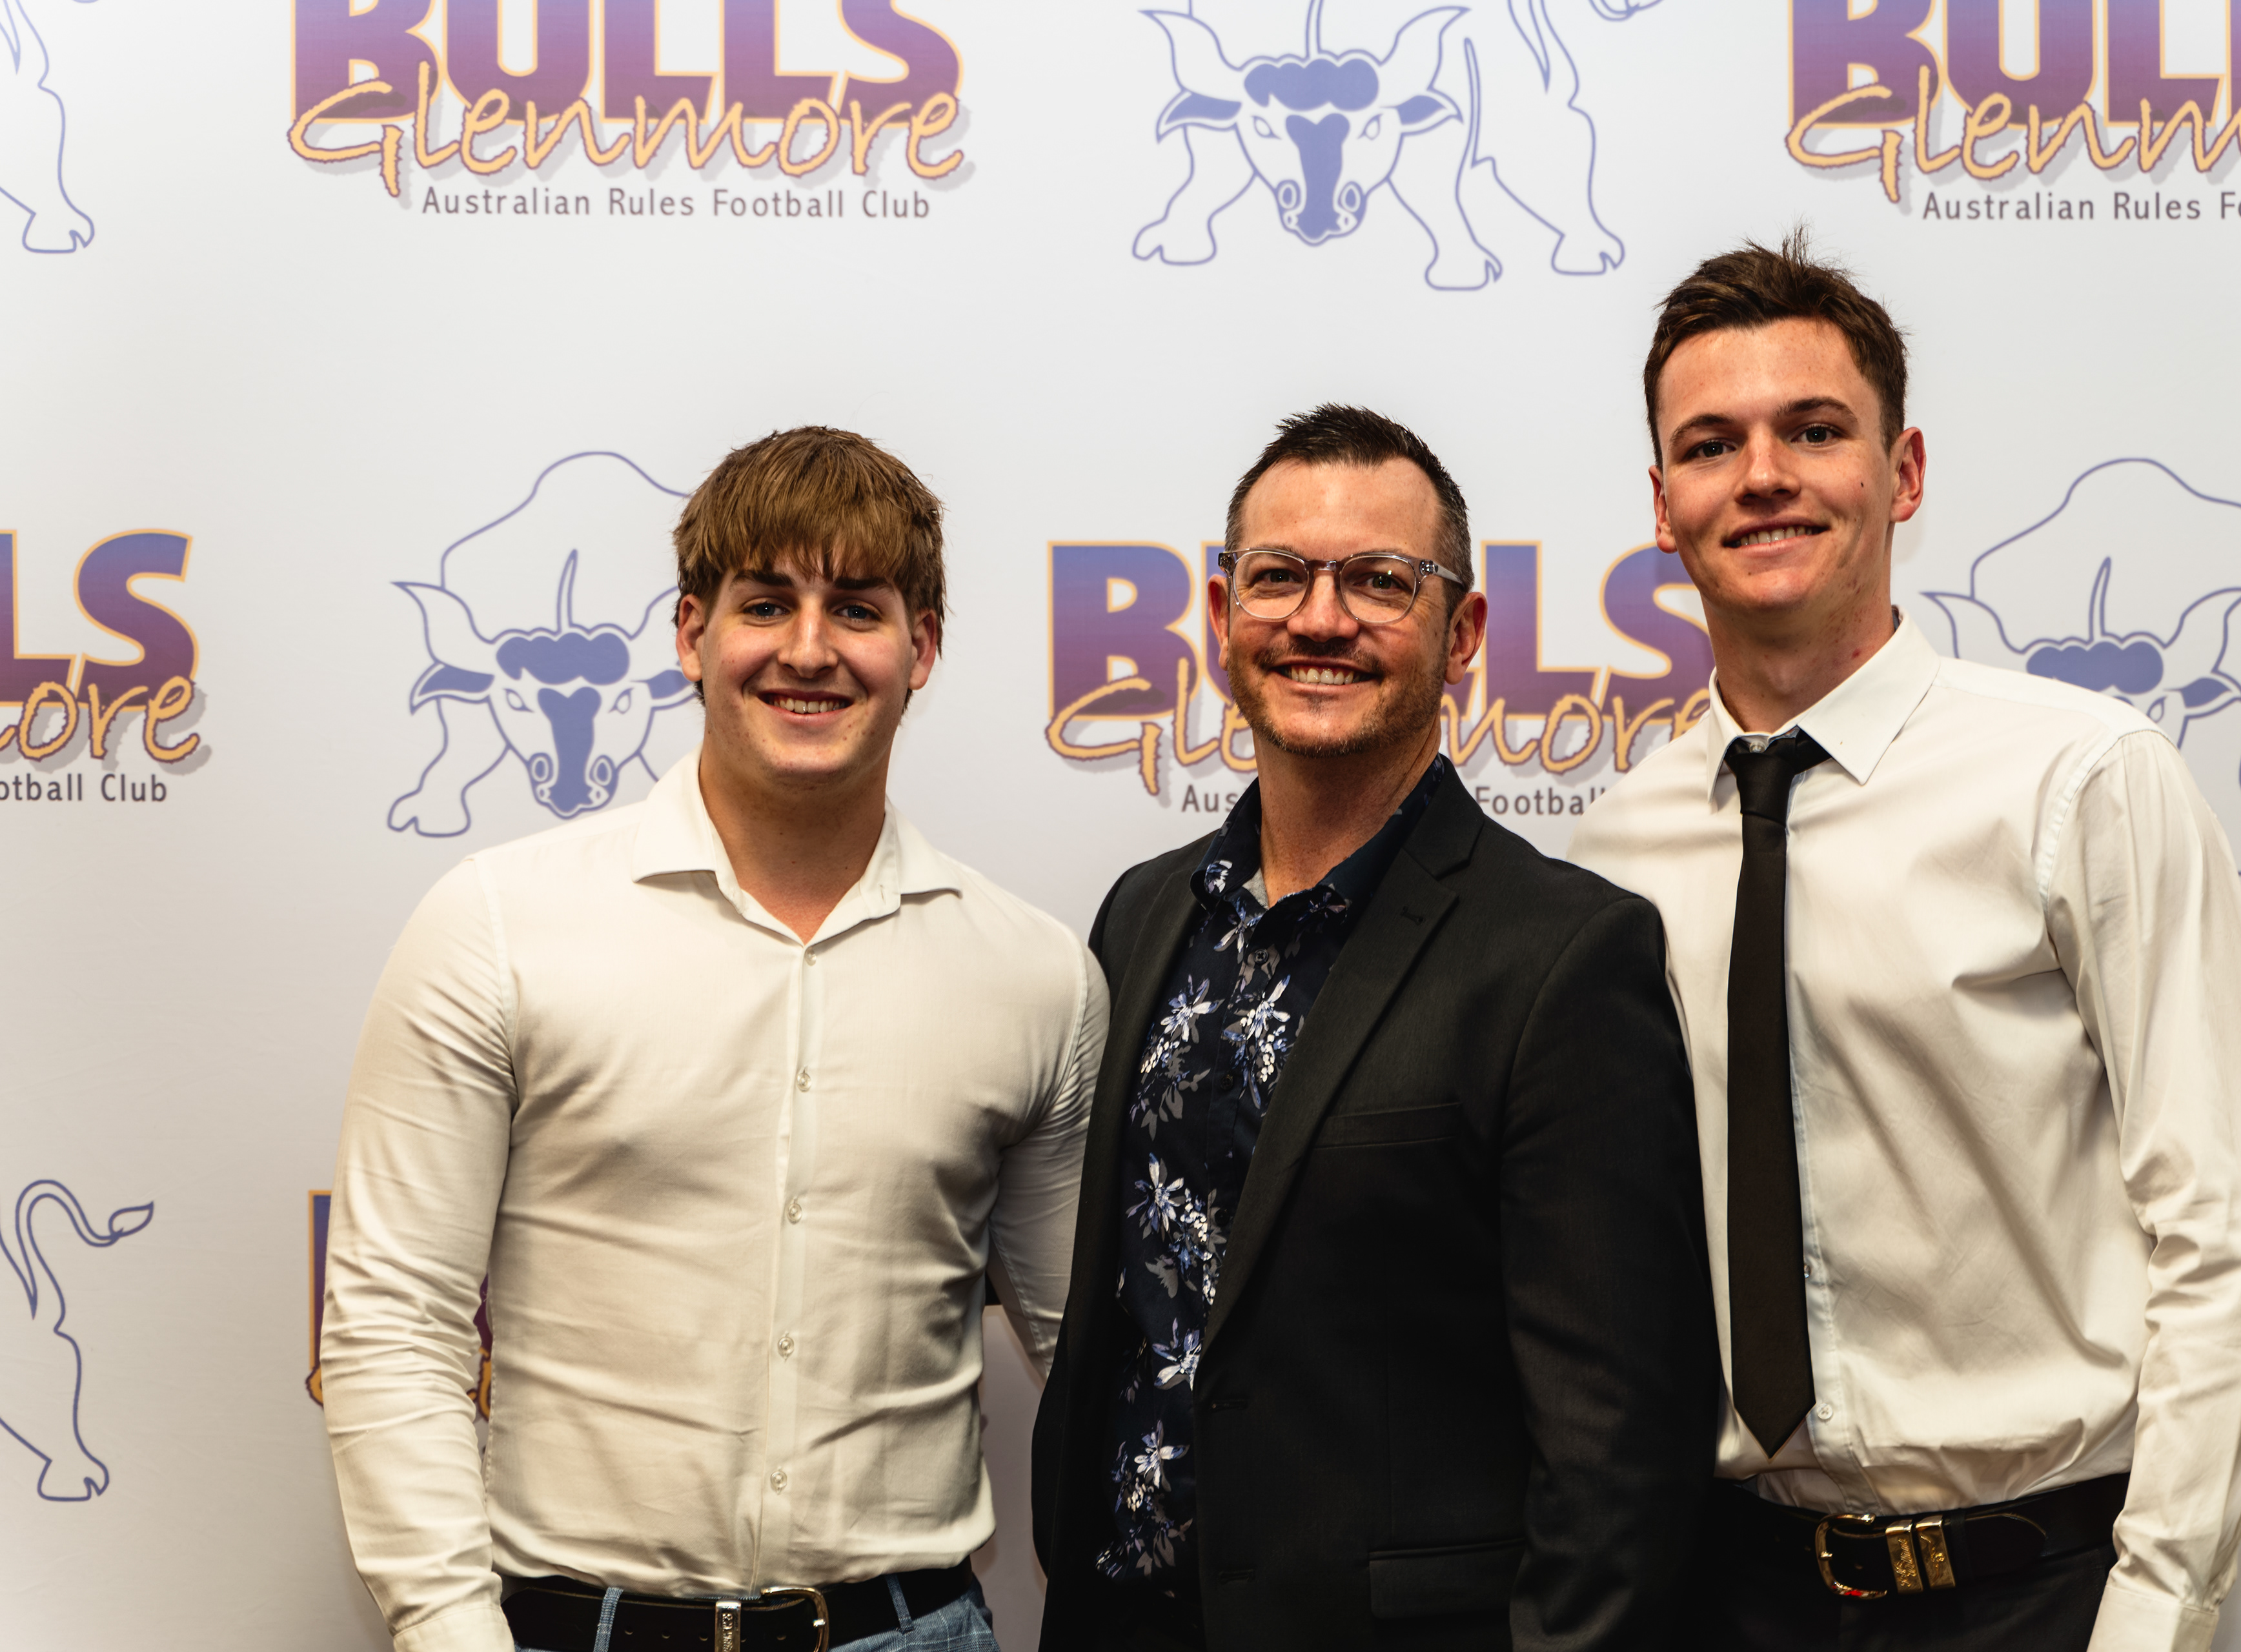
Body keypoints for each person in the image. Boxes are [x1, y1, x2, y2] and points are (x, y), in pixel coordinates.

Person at [1567, 236, 2241, 1651]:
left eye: (1814, 430)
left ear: (1901, 472)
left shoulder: (2081, 780)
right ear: (1663, 505)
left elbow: (2225, 1234)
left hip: (2041, 1590)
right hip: (1728, 1593)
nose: (1763, 475)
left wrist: (2154, 1615)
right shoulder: (1614, 852)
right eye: (1712, 445)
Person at [321, 427, 1105, 1652]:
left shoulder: (1037, 975)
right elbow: (394, 1323)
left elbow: (1091, 1362)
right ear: (692, 635)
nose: (809, 649)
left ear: (922, 648)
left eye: (858, 608)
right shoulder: (498, 927)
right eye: (766, 603)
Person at [1030, 405, 1717, 1652]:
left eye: (1380, 581)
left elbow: (1622, 1449)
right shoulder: (1145, 915)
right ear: (1221, 612)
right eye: (1278, 577)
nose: (1321, 619)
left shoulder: (1564, 956)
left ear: (1465, 633)